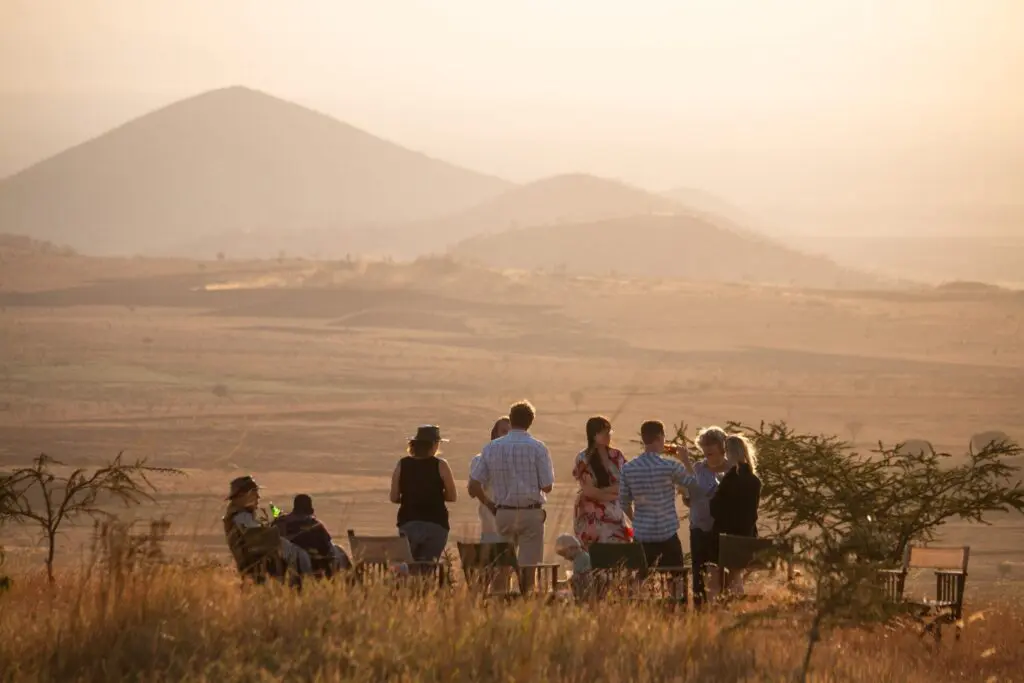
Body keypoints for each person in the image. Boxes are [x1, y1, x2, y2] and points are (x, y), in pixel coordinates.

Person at [469, 400, 554, 568]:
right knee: (529, 566)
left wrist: (490, 505)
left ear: (511, 418)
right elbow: (547, 486)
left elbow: (474, 485)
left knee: (502, 565)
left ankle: (500, 593)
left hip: (503, 513)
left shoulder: (491, 448)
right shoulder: (538, 448)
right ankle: (527, 592)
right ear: (530, 422)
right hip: (530, 512)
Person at [619, 421, 700, 571]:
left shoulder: (628, 469)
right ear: (660, 437)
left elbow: (624, 502)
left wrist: (636, 522)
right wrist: (686, 461)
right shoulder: (670, 466)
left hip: (642, 535)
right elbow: (694, 485)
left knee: (642, 580)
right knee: (675, 580)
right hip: (667, 533)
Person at [389, 425, 458, 562]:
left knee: (409, 564)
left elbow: (394, 497)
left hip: (408, 522)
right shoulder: (441, 465)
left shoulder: (402, 464)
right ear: (433, 445)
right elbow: (452, 496)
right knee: (428, 566)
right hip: (436, 524)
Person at [222, 475, 312, 578]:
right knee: (301, 555)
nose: (258, 497)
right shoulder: (241, 517)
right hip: (257, 564)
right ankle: (305, 587)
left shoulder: (239, 516)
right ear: (244, 495)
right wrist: (276, 530)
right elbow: (258, 536)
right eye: (254, 493)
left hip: (256, 561)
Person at [709, 434, 762, 595]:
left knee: (715, 574)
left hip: (725, 537)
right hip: (746, 536)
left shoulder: (730, 480)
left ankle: (716, 608)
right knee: (736, 575)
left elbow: (715, 509)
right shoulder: (754, 480)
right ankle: (737, 607)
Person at [686, 426, 731, 606]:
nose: (708, 457)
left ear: (722, 449)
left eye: (711, 452)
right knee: (698, 571)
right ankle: (699, 610)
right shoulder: (698, 468)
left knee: (722, 571)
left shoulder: (731, 470)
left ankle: (722, 607)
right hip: (698, 526)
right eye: (705, 452)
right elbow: (689, 499)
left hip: (721, 528)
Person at [572, 416, 631, 548]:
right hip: (592, 518)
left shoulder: (617, 456)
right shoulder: (583, 459)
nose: (608, 436)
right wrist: (614, 494)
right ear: (593, 435)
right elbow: (590, 492)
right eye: (603, 433)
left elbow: (625, 485)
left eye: (609, 432)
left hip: (615, 515)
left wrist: (603, 491)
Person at [272, 493, 351, 577]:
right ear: (310, 510)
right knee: (338, 550)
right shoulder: (314, 524)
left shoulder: (281, 522)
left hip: (288, 562)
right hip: (311, 565)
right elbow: (327, 547)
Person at [468, 416, 511, 542]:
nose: (507, 436)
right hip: (491, 527)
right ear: (495, 434)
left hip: (514, 527)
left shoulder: (518, 461)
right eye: (503, 431)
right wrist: (491, 506)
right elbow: (472, 491)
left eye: (510, 432)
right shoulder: (480, 459)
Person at [555, 533, 592, 600]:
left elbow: (576, 578)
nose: (565, 558)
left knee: (559, 595)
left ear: (571, 548)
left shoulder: (579, 559)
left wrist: (562, 583)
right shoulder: (583, 555)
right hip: (587, 587)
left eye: (564, 554)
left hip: (585, 590)